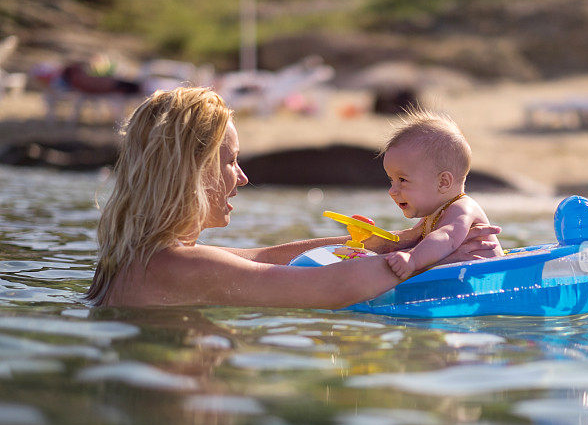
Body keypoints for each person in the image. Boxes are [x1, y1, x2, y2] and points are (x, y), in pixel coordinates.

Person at [86, 87, 501, 308]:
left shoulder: (151, 255)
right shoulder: (176, 265)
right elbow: (331, 287)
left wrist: (400, 241)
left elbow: (266, 257)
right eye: (230, 162)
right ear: (191, 172)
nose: (243, 178)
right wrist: (427, 262)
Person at [383, 108, 504, 280]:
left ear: (443, 182)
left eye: (402, 180)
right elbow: (413, 240)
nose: (392, 191)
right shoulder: (434, 213)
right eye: (391, 180)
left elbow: (446, 237)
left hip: (489, 284)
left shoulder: (462, 208)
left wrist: (412, 259)